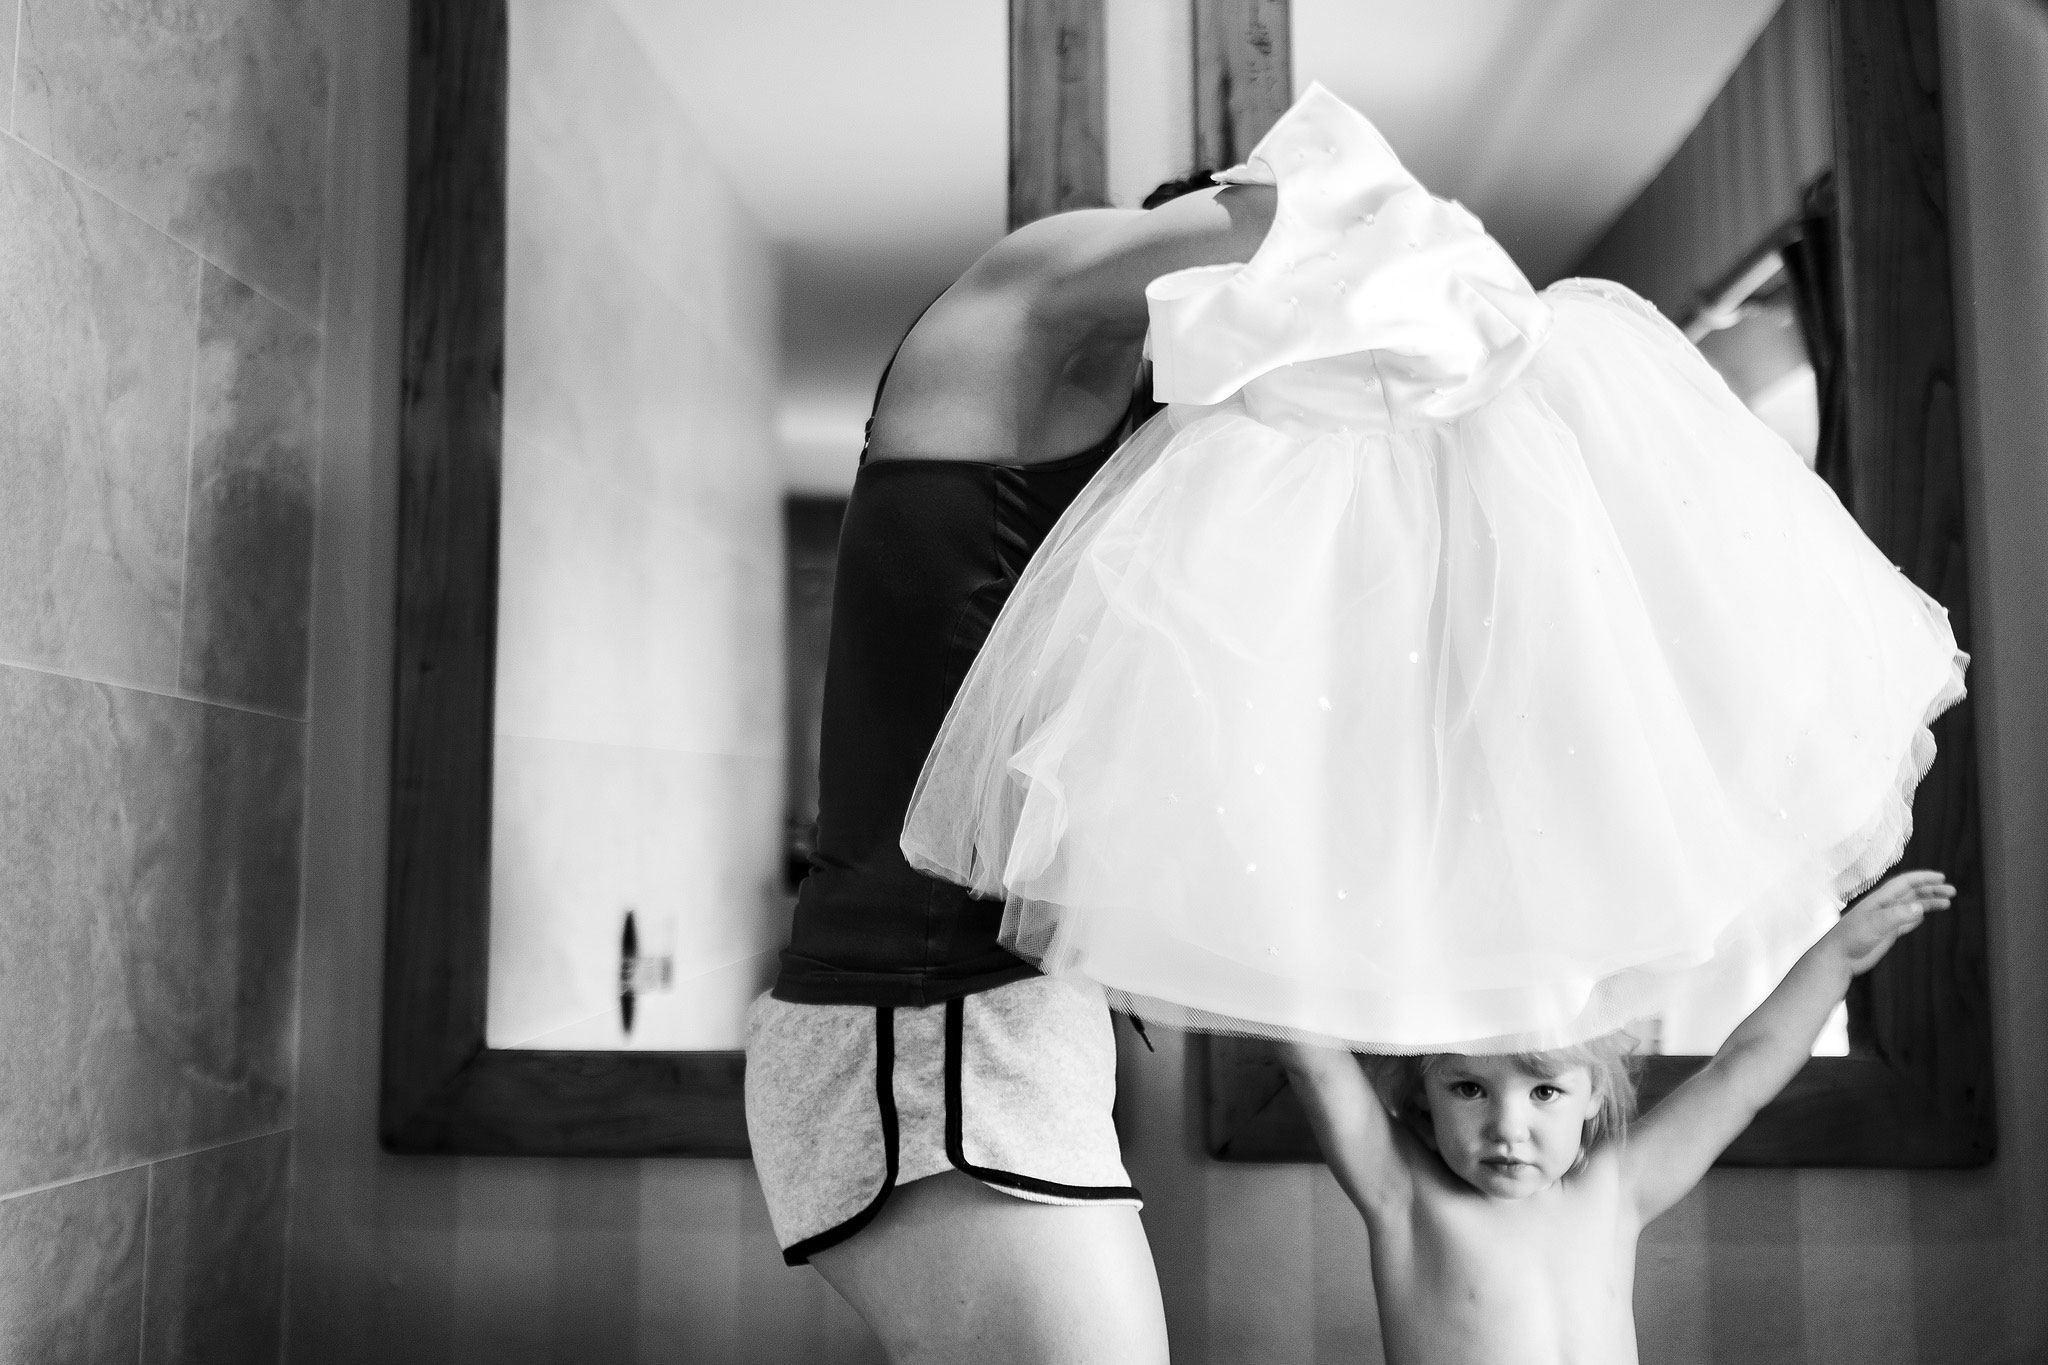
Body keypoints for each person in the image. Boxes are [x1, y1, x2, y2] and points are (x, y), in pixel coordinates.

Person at [900, 83, 1968, 1059]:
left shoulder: (1204, 582)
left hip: (1004, 1050)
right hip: (938, 1044)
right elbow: (1371, 240)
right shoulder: (1056, 367)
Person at [742, 175, 1277, 1360]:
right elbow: (1295, 218)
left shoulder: (1134, 471)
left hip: (985, 1031)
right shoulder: (1028, 298)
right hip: (923, 1028)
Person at [1274, 867, 1953, 1364]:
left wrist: (1838, 955)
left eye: (1544, 1092)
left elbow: (1742, 1072)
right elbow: (1315, 1064)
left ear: (1594, 1093)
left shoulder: (1613, 1189)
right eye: (1469, 1089)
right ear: (1423, 1090)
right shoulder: (1406, 1194)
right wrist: (1262, 916)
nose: (1507, 1127)